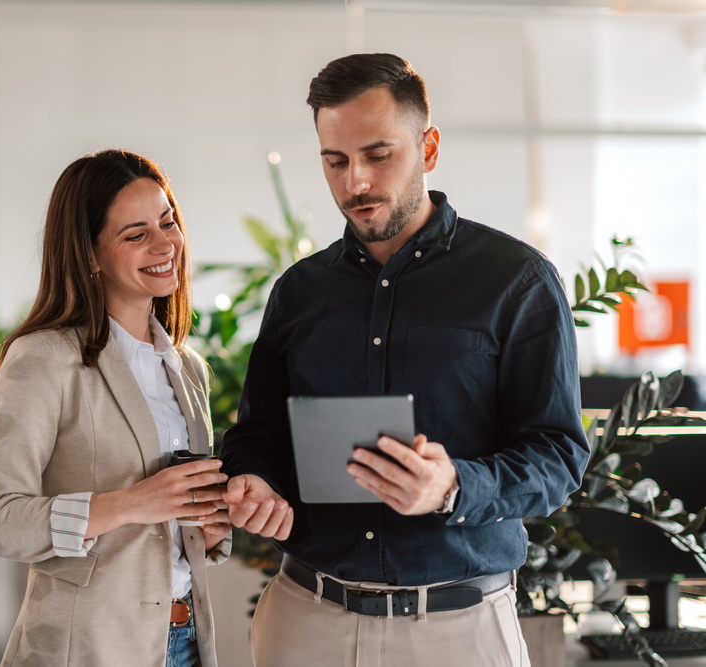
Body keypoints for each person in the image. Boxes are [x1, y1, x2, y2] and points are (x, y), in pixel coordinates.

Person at [220, 53, 590, 667]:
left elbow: (557, 457)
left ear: (429, 146)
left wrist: (453, 486)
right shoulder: (299, 291)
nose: (355, 182)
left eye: (377, 154)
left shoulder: (517, 282)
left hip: (459, 631)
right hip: (306, 621)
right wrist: (254, 477)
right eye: (334, 161)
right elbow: (256, 435)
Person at [0, 149, 232, 667]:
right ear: (89, 255)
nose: (165, 245)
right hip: (87, 647)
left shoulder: (187, 368)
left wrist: (212, 525)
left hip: (185, 643)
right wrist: (132, 503)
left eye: (167, 222)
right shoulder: (44, 359)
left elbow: (175, 529)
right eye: (135, 235)